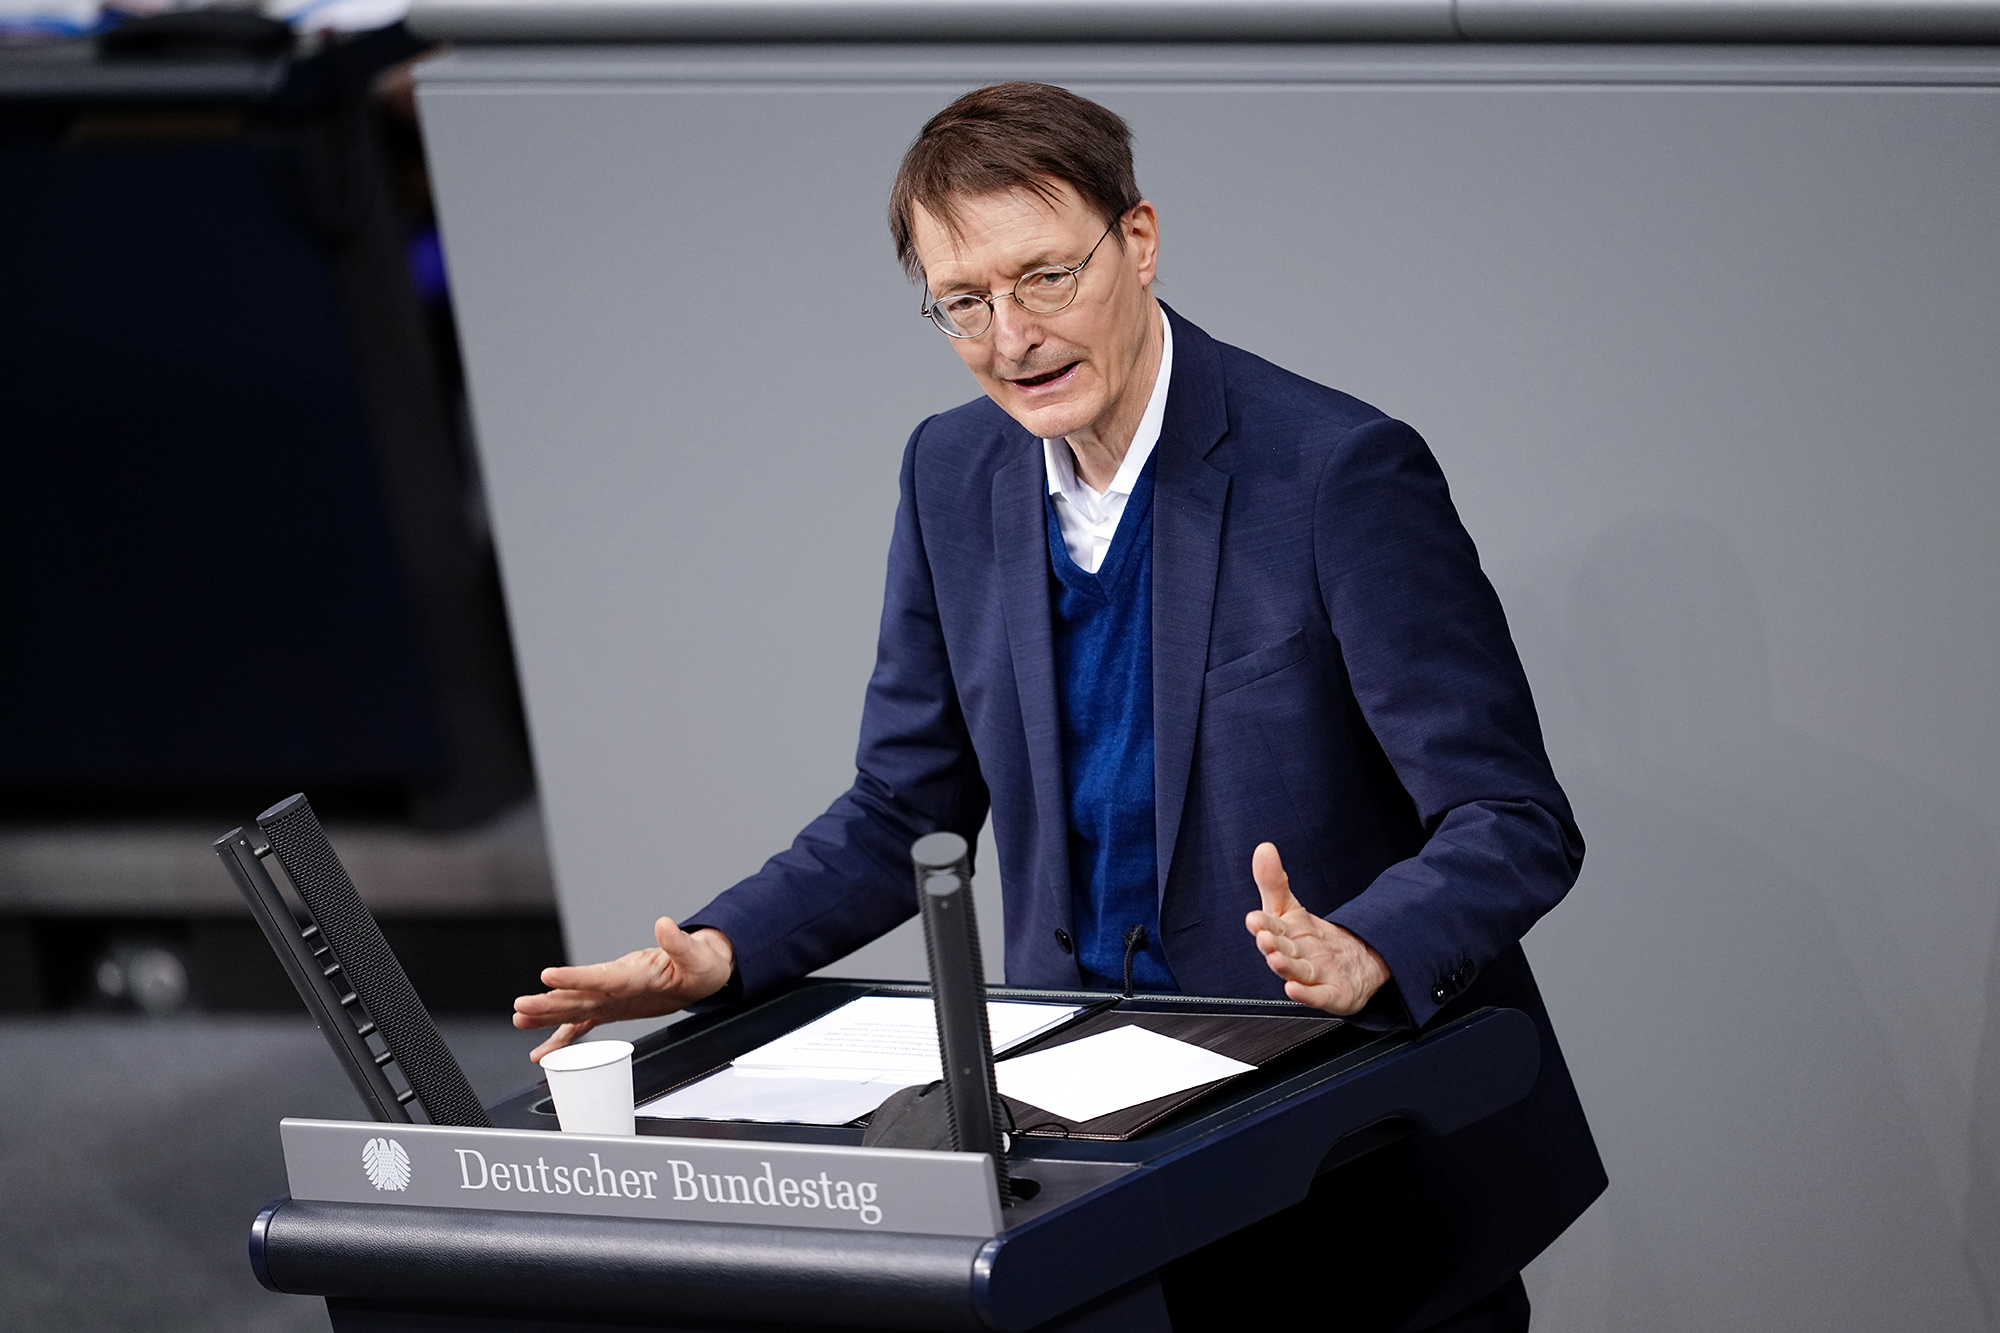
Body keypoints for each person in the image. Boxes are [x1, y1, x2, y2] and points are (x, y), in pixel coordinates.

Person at [515, 82, 1605, 1332]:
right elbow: (900, 806)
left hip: (1341, 1159)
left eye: (1043, 277)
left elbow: (1509, 814)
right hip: (1087, 1167)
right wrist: (716, 953)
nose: (1011, 335)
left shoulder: (1335, 474)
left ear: (1136, 241)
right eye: (964, 302)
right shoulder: (950, 473)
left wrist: (1366, 943)